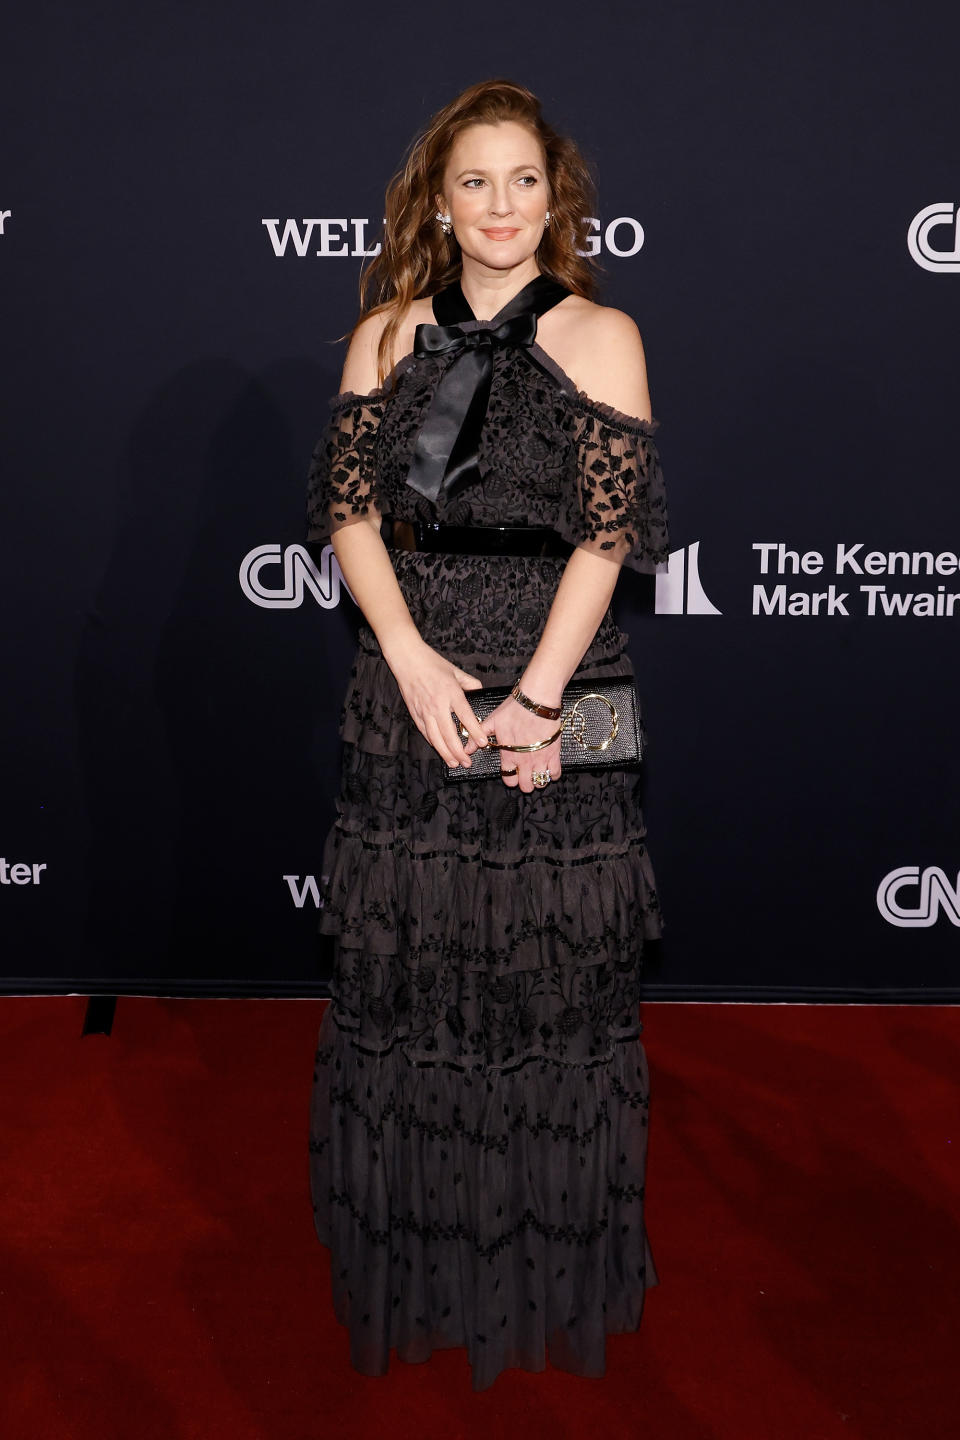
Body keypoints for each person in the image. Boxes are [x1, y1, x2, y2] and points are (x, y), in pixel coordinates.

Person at [306, 78, 670, 1391]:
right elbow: (350, 513)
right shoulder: (387, 333)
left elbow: (612, 535)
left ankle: (540, 1248)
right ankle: (424, 1241)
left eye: (524, 180)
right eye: (475, 182)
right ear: (438, 199)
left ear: (555, 195)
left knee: (554, 967)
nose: (502, 206)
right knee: (416, 962)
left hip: (570, 672)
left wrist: (539, 699)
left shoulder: (604, 331)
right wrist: (403, 653)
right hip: (415, 673)